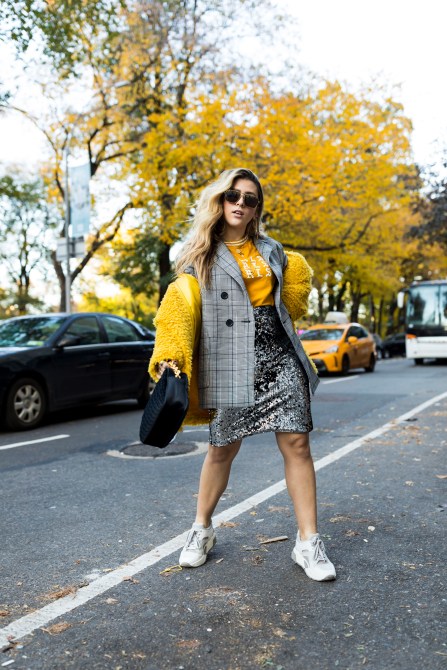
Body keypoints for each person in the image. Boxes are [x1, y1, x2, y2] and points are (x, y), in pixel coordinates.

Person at [149, 167, 336, 581]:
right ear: (220, 200)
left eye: (250, 199)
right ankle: (201, 529)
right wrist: (171, 355)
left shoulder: (272, 251)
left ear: (256, 209)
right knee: (222, 449)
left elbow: (290, 300)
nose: (240, 203)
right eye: (233, 195)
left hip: (279, 354)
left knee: (298, 443)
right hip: (230, 358)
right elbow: (178, 311)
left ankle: (308, 542)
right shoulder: (199, 256)